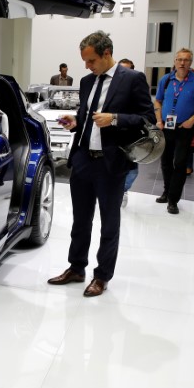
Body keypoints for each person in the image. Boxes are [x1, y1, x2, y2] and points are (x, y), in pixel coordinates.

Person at [50, 31, 154, 298]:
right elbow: (86, 116)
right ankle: (76, 267)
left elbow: (146, 119)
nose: (87, 66)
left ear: (106, 54)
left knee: (109, 222)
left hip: (111, 162)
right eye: (85, 61)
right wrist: (75, 122)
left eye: (91, 60)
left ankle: (102, 276)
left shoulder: (132, 79)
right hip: (84, 158)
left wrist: (115, 118)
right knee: (80, 220)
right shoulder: (86, 82)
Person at [153, 48, 194, 214]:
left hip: (185, 129)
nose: (182, 63)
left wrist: (191, 120)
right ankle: (166, 191)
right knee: (165, 162)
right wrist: (158, 120)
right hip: (166, 126)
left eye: (186, 60)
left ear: (190, 62)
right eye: (179, 59)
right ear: (175, 62)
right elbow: (157, 102)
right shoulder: (166, 80)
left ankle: (173, 200)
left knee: (180, 163)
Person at [118, 58, 138, 208]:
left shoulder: (137, 89)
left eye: (127, 70)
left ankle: (123, 190)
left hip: (132, 136)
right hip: (113, 136)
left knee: (132, 170)